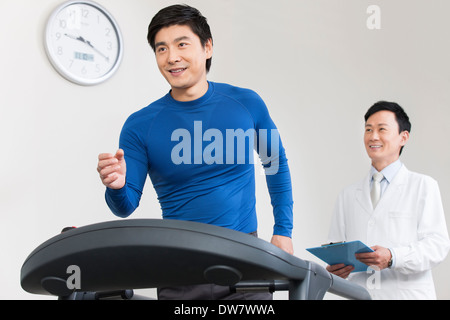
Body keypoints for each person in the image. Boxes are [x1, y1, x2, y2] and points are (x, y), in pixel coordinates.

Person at [96, 4, 294, 300]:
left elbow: (276, 165)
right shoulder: (140, 125)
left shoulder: (247, 104)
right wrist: (117, 186)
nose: (172, 57)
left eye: (182, 44)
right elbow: (124, 207)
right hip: (179, 266)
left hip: (245, 261)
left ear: (207, 47)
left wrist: (284, 230)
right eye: (161, 49)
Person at [327, 101, 450, 299]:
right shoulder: (347, 195)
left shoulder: (423, 186)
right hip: (361, 294)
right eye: (368, 129)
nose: (373, 136)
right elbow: (335, 248)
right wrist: (337, 271)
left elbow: (437, 246)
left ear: (404, 137)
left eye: (381, 129)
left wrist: (393, 257)